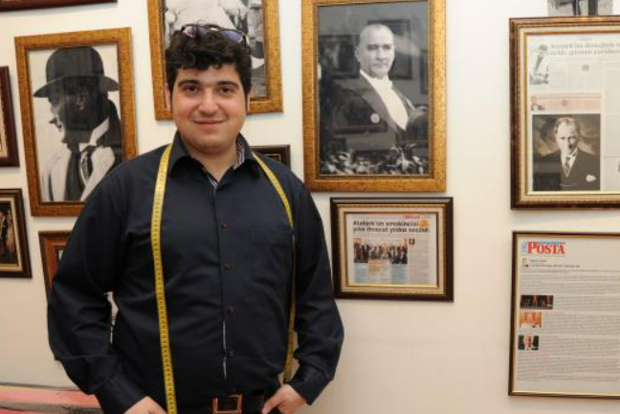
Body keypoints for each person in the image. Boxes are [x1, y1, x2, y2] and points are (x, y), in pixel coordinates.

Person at [48, 24, 344, 414]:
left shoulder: (286, 191)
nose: (208, 105)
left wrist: (310, 379)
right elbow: (74, 298)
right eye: (191, 88)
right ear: (169, 96)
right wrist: (117, 391)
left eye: (225, 89)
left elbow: (315, 295)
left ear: (247, 98)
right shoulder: (125, 189)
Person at [319, 23, 427, 173]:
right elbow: (336, 157)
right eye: (373, 48)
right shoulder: (344, 97)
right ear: (358, 54)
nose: (381, 56)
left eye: (387, 47)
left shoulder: (400, 95)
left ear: (394, 52)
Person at [34, 47, 124, 202]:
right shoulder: (51, 170)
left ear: (81, 98)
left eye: (54, 101)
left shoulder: (133, 151)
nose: (51, 118)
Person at [533, 117, 600, 191]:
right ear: (556, 138)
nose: (567, 144)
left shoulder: (595, 162)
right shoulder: (544, 162)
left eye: (571, 138)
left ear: (579, 137)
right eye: (562, 138)